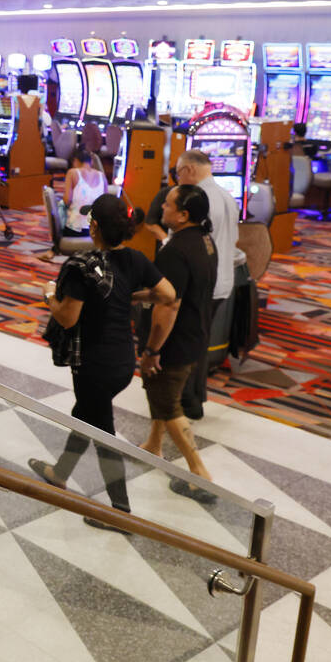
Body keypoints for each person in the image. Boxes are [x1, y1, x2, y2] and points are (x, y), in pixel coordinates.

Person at [29, 194, 176, 528]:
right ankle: (59, 472)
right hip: (123, 361)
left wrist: (49, 296)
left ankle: (120, 511)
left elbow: (67, 318)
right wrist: (131, 294)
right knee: (86, 415)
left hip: (92, 363)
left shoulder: (82, 267)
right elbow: (167, 294)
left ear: (93, 226)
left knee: (102, 430)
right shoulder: (136, 260)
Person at [139, 184, 218, 504]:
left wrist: (152, 350)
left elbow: (168, 306)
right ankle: (153, 445)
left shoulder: (174, 250)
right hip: (198, 332)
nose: (162, 210)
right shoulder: (204, 240)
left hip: (175, 339)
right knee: (161, 392)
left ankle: (200, 474)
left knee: (170, 404)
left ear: (183, 215)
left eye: (169, 206)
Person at [174, 149, 243, 419]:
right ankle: (194, 397)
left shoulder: (199, 199)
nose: (178, 179)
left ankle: (188, 400)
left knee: (189, 342)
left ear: (190, 170)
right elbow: (234, 240)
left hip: (204, 284)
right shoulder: (227, 195)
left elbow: (196, 248)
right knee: (199, 341)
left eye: (178, 173)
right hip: (223, 279)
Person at [37, 146, 106, 262]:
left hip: (77, 230)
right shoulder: (102, 175)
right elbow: (105, 202)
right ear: (92, 161)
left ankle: (55, 249)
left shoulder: (73, 172)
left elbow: (67, 200)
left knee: (62, 211)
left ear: (75, 161)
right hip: (97, 232)